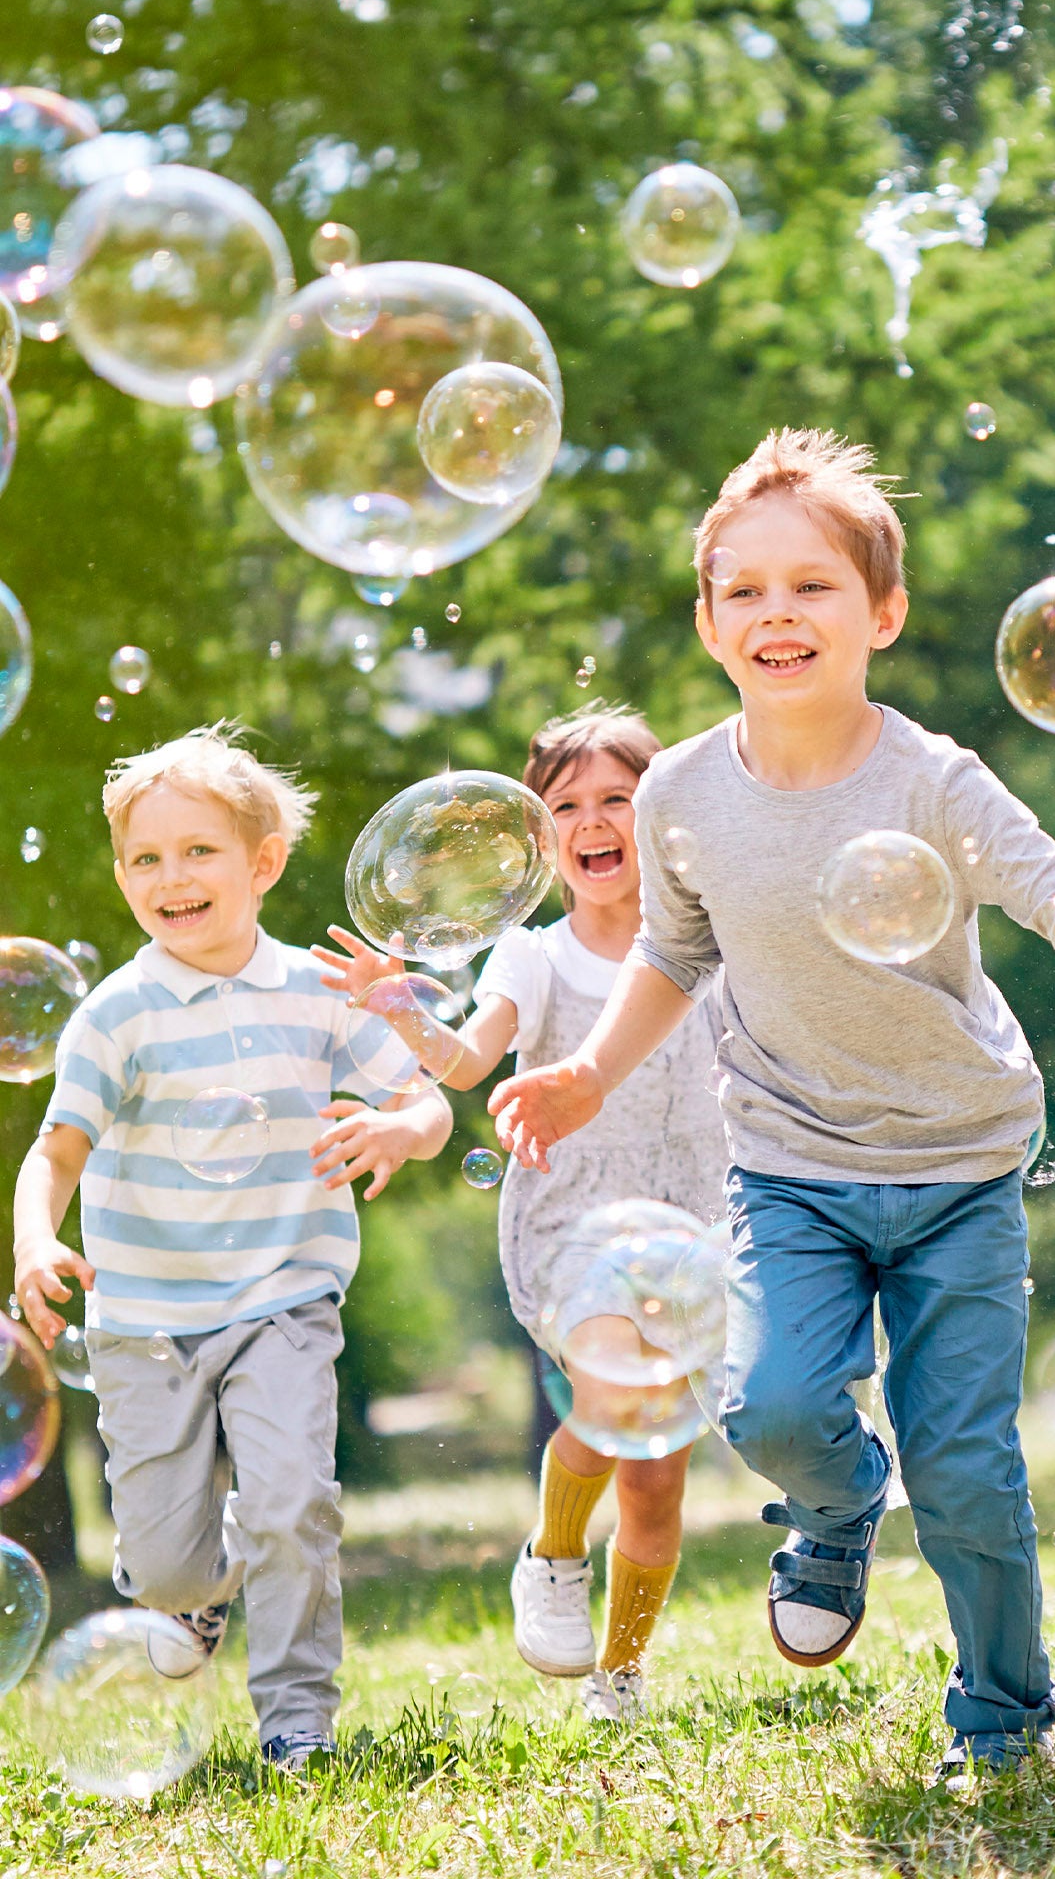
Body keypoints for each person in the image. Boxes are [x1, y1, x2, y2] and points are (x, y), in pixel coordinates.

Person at [488, 428, 1055, 1777]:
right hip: (788, 1167)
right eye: (746, 589)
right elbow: (673, 949)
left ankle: (1004, 1719)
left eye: (813, 585)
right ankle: (835, 1507)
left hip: (958, 1166)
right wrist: (589, 1071)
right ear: (710, 622)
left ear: (879, 611)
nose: (779, 611)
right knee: (768, 1408)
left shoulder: (932, 780)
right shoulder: (681, 793)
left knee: (969, 1475)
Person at [10, 725, 452, 1769]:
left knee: (294, 1500)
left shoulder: (317, 990)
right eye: (145, 858)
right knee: (164, 1563)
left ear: (261, 863)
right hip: (145, 1319)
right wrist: (35, 1237)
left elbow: (424, 1098)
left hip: (282, 1298)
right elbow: (54, 1146)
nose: (171, 877)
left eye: (198, 850)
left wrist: (403, 1127)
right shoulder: (116, 1014)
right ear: (122, 873)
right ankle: (194, 1600)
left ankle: (296, 1718)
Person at [314, 707, 728, 1727]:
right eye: (567, 806)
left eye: (616, 800)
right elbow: (463, 1060)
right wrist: (401, 1006)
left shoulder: (714, 936)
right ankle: (551, 1554)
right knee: (607, 1397)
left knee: (657, 1481)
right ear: (543, 839)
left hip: (699, 1225)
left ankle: (619, 1672)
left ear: (660, 812)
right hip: (574, 1220)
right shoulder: (530, 959)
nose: (593, 822)